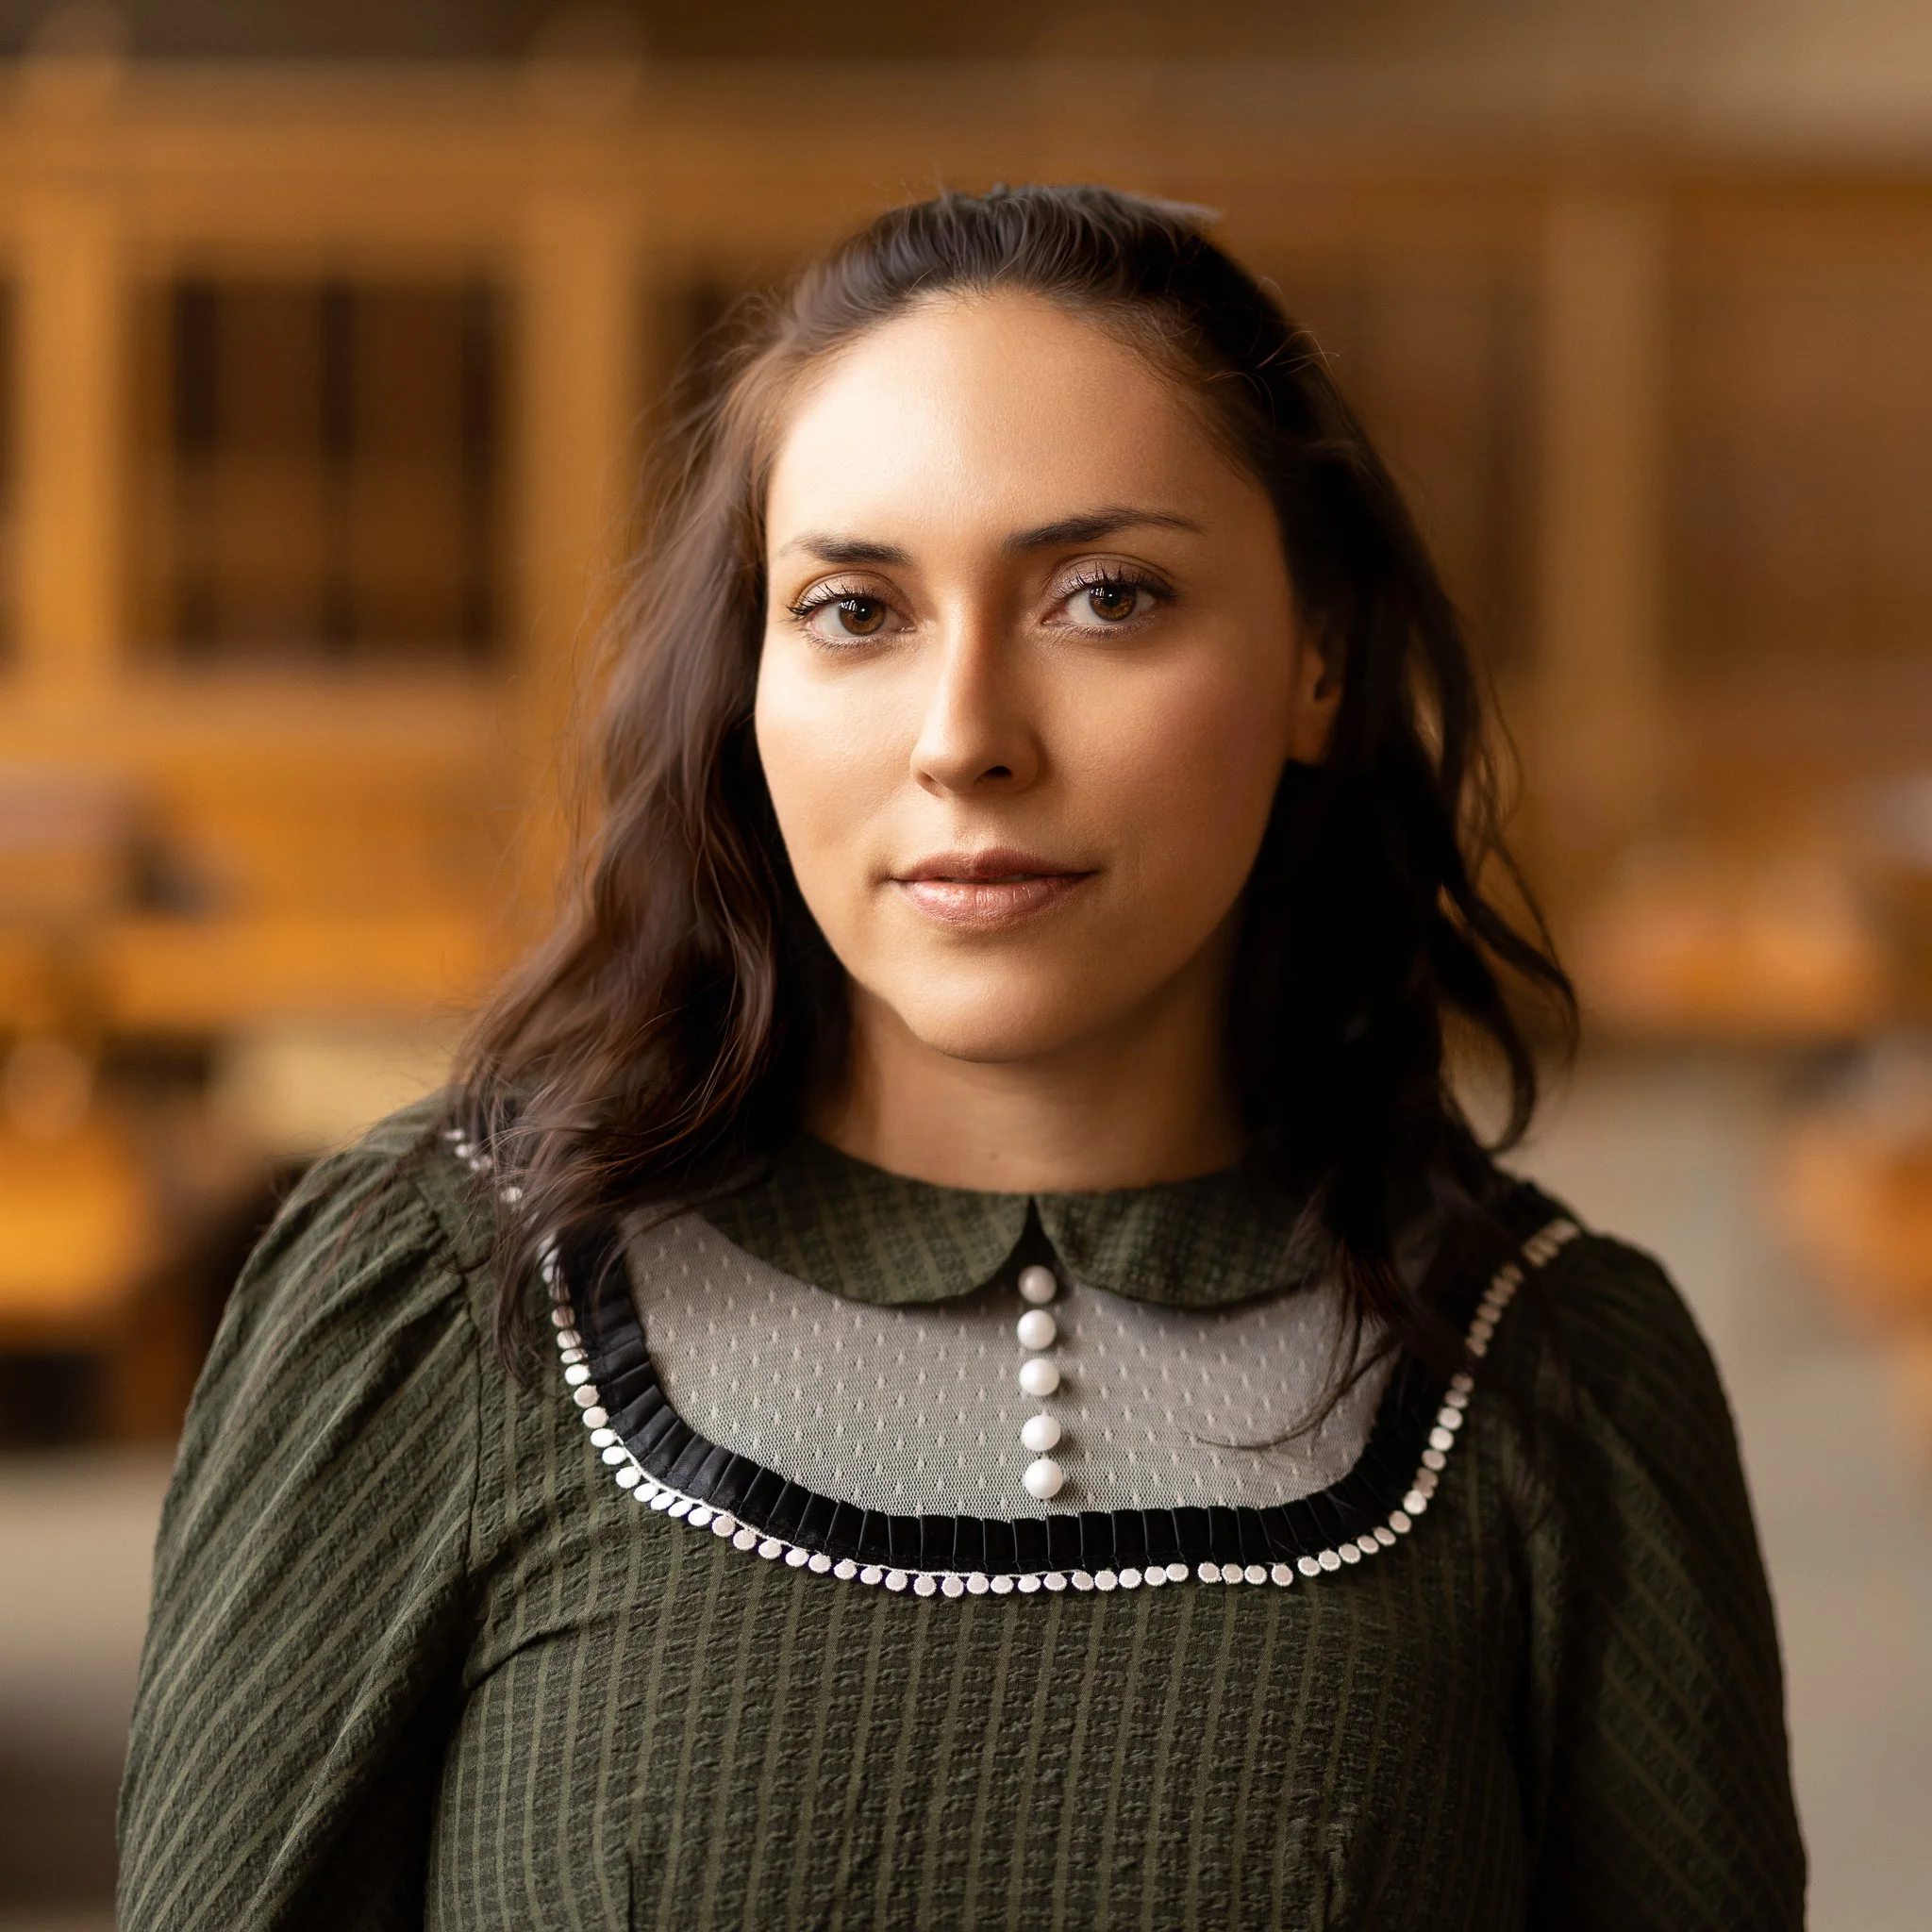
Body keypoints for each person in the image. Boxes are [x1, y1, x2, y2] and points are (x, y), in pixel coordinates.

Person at [118, 185, 1804, 1930]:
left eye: (1106, 596)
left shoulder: (1563, 1378)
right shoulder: (439, 1298)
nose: (965, 741)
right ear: (749, 675)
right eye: (856, 609)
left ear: (1319, 662)